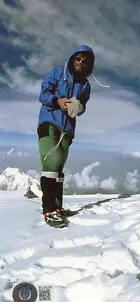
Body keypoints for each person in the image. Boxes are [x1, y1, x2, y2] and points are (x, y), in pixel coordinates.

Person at [37, 45, 95, 228]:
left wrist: (79, 108)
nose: (81, 62)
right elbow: (43, 94)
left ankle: (57, 208)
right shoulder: (56, 73)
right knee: (50, 164)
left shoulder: (85, 85)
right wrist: (58, 101)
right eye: (78, 58)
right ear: (72, 59)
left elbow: (83, 107)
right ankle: (48, 211)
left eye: (86, 61)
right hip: (49, 122)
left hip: (67, 130)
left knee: (59, 168)